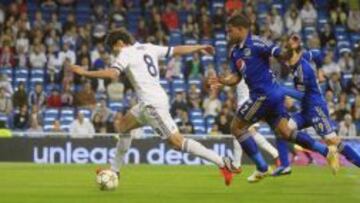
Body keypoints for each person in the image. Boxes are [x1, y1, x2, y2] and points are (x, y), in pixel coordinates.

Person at [69, 28, 235, 186]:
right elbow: (176, 49)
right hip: (147, 102)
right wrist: (198, 47)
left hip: (152, 105)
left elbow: (113, 74)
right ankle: (114, 171)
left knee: (177, 142)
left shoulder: (125, 52)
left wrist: (85, 73)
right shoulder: (148, 47)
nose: (114, 53)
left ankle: (222, 162)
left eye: (114, 49)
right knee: (122, 126)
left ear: (120, 43)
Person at [209, 14, 338, 182]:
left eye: (230, 31)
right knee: (285, 132)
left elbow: (281, 55)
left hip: (264, 95)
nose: (228, 34)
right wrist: (223, 80)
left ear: (241, 29)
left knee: (237, 128)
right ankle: (327, 152)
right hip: (272, 96)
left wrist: (290, 49)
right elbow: (236, 77)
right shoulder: (235, 52)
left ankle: (262, 167)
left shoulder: (258, 43)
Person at [273, 35, 360, 175]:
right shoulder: (304, 56)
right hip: (306, 110)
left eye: (287, 56)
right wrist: (320, 70)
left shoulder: (303, 70)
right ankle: (285, 165)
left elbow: (301, 95)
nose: (285, 61)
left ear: (293, 53)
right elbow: (319, 54)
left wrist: (281, 89)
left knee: (334, 142)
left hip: (316, 108)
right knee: (281, 130)